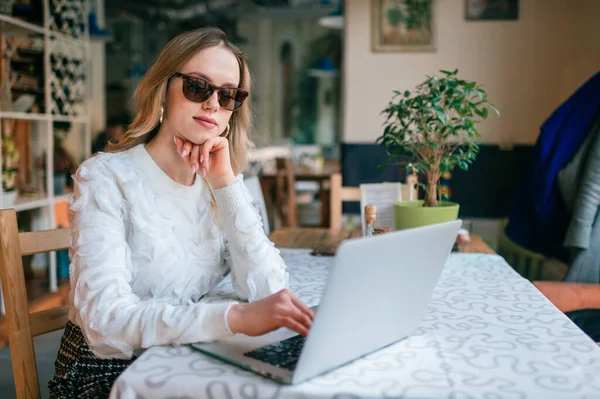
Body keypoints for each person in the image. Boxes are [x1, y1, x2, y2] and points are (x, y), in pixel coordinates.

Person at [49, 27, 315, 399]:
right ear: (163, 90)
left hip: (187, 355)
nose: (212, 105)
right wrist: (234, 320)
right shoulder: (105, 178)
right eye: (197, 87)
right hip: (108, 374)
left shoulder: (217, 183)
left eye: (228, 95)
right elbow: (105, 323)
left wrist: (225, 183)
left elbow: (269, 290)